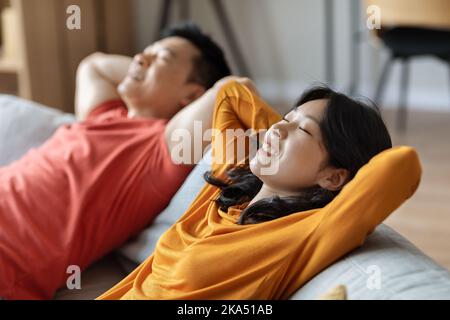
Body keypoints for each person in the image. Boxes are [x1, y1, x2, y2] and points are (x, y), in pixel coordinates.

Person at [98, 78, 422, 300]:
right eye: (285, 117)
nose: (279, 127)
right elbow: (232, 93)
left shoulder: (306, 232)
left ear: (334, 178)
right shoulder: (227, 188)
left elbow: (402, 165)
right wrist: (283, 137)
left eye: (303, 131)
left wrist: (285, 146)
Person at [0, 23, 231, 300]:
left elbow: (227, 91)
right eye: (145, 52)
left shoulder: (159, 152)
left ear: (192, 95)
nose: (139, 58)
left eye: (164, 57)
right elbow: (93, 65)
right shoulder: (103, 115)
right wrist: (147, 69)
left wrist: (148, 74)